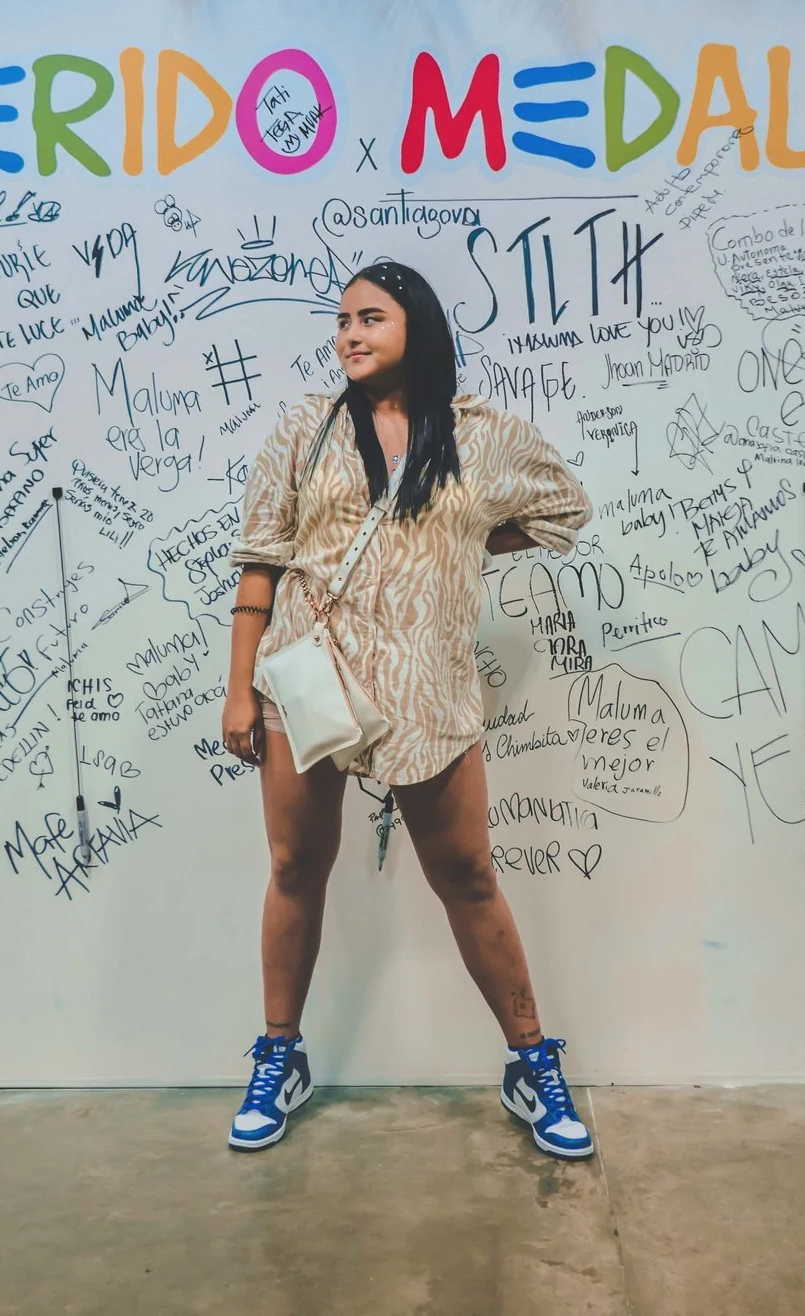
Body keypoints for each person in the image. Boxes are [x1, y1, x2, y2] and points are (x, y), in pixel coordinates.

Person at [219, 259, 595, 1158]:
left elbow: (563, 510)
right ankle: (279, 1053)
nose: (349, 332)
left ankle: (530, 1059)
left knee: (467, 875)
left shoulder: (480, 436)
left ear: (415, 327)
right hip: (311, 683)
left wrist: (465, 536)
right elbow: (260, 561)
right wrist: (239, 687)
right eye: (342, 319)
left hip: (429, 688)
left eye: (370, 317)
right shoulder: (306, 430)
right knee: (294, 867)